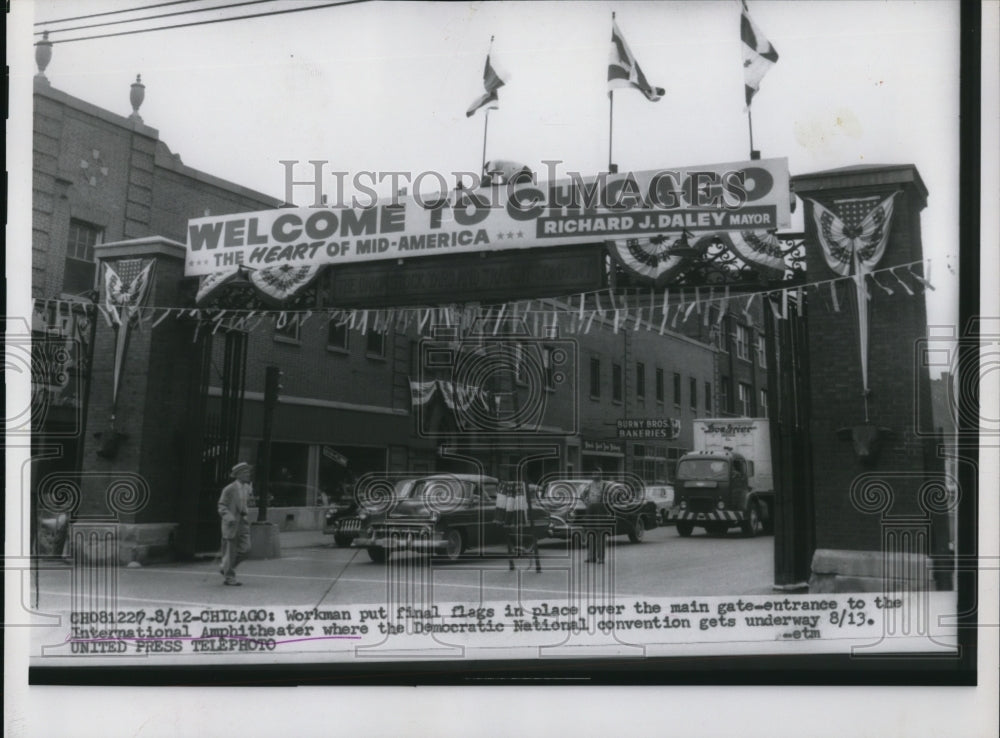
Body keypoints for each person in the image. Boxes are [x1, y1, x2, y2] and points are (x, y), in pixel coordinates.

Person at [218, 462, 253, 586]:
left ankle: (226, 567)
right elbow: (221, 505)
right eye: (245, 472)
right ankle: (229, 577)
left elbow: (247, 503)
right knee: (231, 551)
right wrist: (229, 517)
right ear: (238, 475)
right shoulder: (229, 489)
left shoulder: (248, 488)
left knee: (246, 549)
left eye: (248, 472)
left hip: (243, 522)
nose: (248, 475)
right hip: (232, 523)